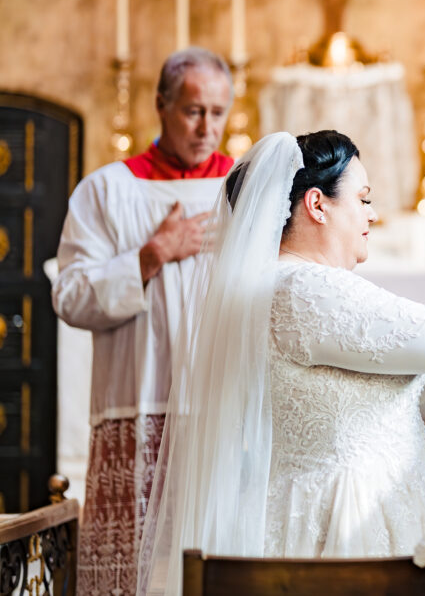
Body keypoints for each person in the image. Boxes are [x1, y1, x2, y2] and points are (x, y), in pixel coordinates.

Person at [138, 131, 425, 595]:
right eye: (363, 198)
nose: (372, 214)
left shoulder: (290, 285)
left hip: (361, 506)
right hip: (346, 523)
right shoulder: (304, 289)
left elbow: (384, 405)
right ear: (317, 204)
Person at [52, 47, 234, 594]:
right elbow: (71, 296)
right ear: (161, 105)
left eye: (218, 113)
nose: (207, 129)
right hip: (135, 413)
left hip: (221, 413)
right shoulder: (107, 191)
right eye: (193, 111)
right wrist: (151, 254)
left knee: (215, 567)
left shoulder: (245, 192)